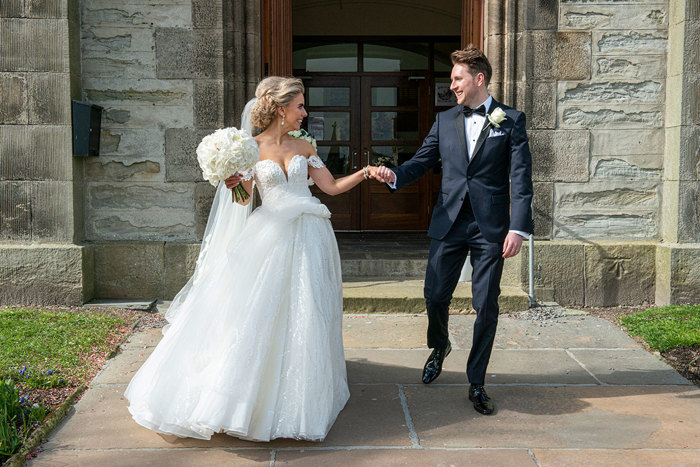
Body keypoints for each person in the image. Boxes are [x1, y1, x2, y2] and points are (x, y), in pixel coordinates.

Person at [124, 76, 378, 441]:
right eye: (300, 106)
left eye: (303, 106)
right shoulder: (250, 148)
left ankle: (300, 399)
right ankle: (245, 399)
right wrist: (232, 182)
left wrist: (366, 172)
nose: (304, 113)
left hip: (310, 234)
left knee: (306, 311)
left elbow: (331, 188)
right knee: (260, 311)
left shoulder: (305, 147)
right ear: (281, 109)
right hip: (270, 235)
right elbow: (245, 201)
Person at [375, 45, 533, 415]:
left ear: (479, 79)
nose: (452, 86)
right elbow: (422, 160)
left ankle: (476, 382)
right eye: (451, 80)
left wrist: (519, 228)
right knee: (434, 294)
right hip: (448, 221)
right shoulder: (445, 121)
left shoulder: (510, 120)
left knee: (486, 305)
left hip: (490, 228)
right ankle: (440, 344)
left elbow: (521, 178)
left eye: (457, 79)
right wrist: (395, 175)